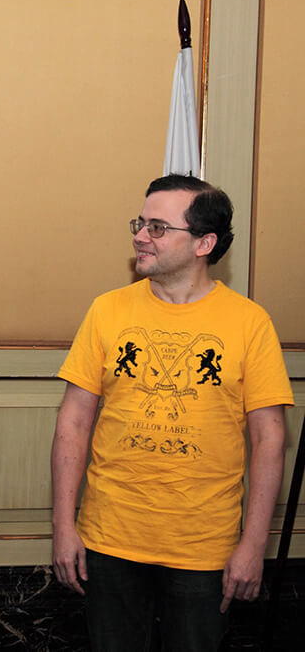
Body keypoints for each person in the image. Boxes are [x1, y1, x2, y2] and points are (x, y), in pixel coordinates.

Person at [50, 174, 293, 651]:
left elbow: (270, 440)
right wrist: (62, 526)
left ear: (204, 243)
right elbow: (73, 423)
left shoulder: (250, 323)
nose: (141, 236)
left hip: (203, 549)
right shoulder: (106, 310)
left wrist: (253, 545)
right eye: (140, 223)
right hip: (109, 540)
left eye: (158, 227)